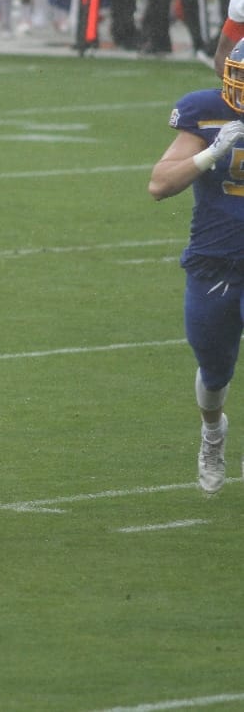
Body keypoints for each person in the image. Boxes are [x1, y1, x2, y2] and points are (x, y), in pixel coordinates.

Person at [148, 38, 244, 495]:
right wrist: (209, 155)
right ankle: (212, 434)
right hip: (214, 260)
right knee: (213, 368)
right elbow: (159, 185)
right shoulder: (207, 112)